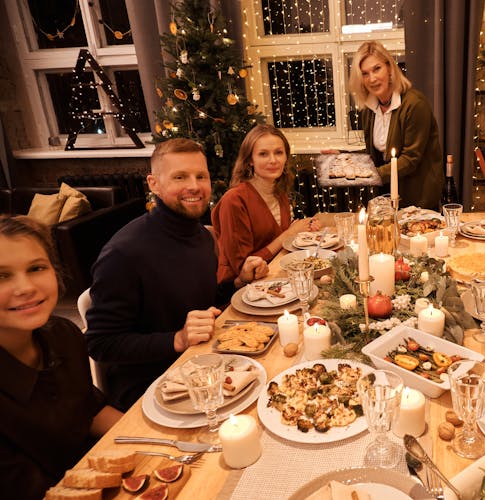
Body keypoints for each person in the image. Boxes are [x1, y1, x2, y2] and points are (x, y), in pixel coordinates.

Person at [85, 138, 265, 411]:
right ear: (154, 183)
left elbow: (200, 299)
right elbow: (100, 343)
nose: (194, 186)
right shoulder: (124, 253)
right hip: (154, 389)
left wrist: (239, 281)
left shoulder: (201, 236)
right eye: (180, 176)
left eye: (200, 176)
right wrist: (177, 339)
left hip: (205, 365)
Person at [0, 216, 122, 499]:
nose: (26, 287)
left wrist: (156, 440)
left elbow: (89, 410)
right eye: (2, 275)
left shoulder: (63, 334)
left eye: (36, 268)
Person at [211, 124, 319, 283]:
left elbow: (277, 239)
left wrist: (300, 230)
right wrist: (289, 234)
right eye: (263, 154)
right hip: (242, 290)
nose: (273, 160)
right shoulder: (234, 200)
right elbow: (244, 269)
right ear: (250, 161)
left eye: (278, 153)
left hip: (277, 276)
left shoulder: (279, 192)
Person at [349, 40, 444, 210]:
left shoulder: (415, 104)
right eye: (365, 73)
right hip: (387, 198)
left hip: (418, 199)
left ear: (390, 68)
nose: (372, 78)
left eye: (377, 69)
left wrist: (372, 175)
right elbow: (374, 153)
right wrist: (343, 158)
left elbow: (410, 159)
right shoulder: (368, 110)